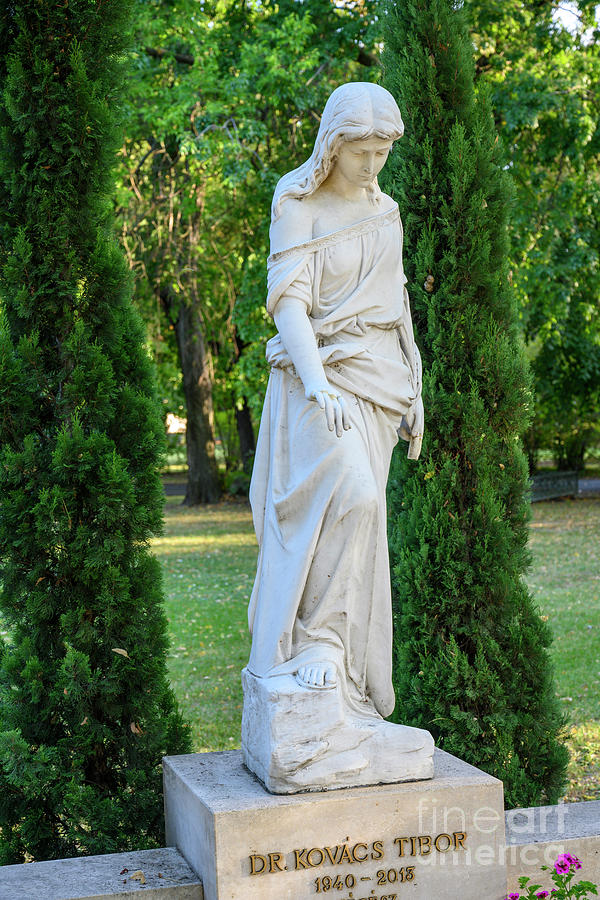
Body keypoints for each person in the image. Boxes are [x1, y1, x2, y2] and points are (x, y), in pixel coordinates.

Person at [246, 82, 423, 725]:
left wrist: (415, 386)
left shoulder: (387, 210)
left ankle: (345, 677)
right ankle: (315, 640)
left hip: (381, 379)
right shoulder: (299, 204)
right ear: (333, 145)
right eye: (361, 153)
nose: (373, 166)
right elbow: (290, 301)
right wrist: (318, 381)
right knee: (355, 495)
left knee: (364, 521)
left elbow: (396, 304)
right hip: (318, 375)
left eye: (382, 152)